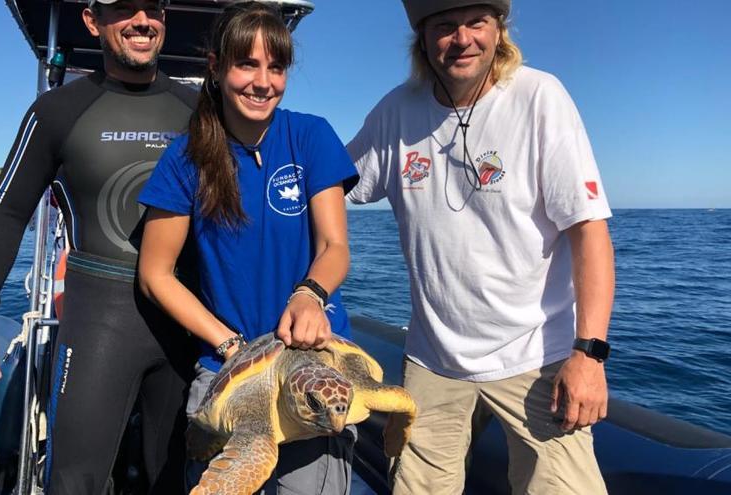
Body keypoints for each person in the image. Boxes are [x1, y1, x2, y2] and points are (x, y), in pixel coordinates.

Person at [347, 0, 614, 493]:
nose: (462, 38)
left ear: (499, 30)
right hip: (434, 360)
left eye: (476, 23)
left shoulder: (540, 97)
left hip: (538, 356)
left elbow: (589, 230)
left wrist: (590, 355)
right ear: (422, 38)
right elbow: (331, 184)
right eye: (445, 26)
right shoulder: (396, 110)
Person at [0, 0, 200, 493]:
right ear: (93, 21)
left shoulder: (201, 109)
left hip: (187, 321)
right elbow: (6, 212)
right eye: (124, 8)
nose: (141, 20)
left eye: (153, 8)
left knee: (175, 479)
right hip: (100, 321)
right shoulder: (57, 110)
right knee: (74, 480)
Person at [136, 2, 360, 493]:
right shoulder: (185, 158)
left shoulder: (311, 136)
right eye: (247, 64)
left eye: (276, 67)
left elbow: (335, 245)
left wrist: (310, 295)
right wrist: (228, 343)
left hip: (312, 363)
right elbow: (156, 274)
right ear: (215, 68)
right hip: (228, 369)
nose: (263, 82)